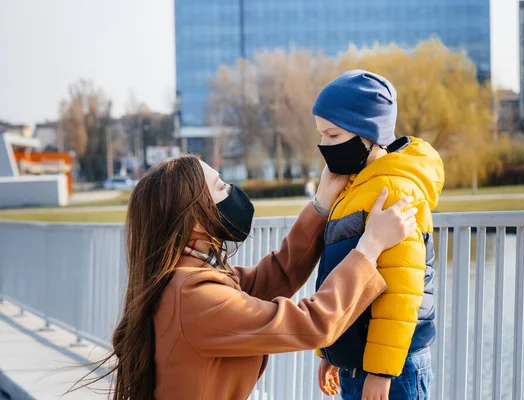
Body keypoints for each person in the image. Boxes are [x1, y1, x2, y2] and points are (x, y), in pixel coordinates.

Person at [72, 154, 419, 400]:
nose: (232, 192)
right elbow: (313, 323)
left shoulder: (184, 277)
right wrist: (370, 247)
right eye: (220, 187)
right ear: (195, 220)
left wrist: (322, 205)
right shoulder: (194, 298)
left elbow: (275, 275)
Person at [312, 70, 445, 400]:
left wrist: (381, 372)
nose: (325, 146)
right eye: (322, 136)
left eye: (333, 135)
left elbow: (401, 293)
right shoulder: (354, 187)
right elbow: (339, 277)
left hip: (392, 370)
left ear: (368, 132)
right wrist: (331, 353)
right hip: (357, 364)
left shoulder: (395, 191)